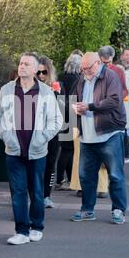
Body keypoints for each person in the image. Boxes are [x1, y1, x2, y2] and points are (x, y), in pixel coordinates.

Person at [0, 52, 62, 245]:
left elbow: (57, 120)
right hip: (13, 150)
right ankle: (21, 231)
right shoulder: (6, 90)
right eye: (21, 63)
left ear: (35, 69)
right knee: (18, 192)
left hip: (38, 151)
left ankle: (37, 227)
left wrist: (43, 137)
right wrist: (5, 135)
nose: (22, 67)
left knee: (37, 191)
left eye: (26, 64)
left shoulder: (45, 92)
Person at [70, 52, 127, 224]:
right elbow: (73, 98)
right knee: (86, 176)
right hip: (87, 136)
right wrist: (75, 107)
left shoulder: (110, 76)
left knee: (115, 175)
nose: (85, 71)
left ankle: (118, 210)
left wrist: (90, 106)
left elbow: (114, 101)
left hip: (108, 133)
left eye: (88, 68)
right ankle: (87, 210)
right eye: (82, 68)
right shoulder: (82, 79)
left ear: (98, 63)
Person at [36, 55, 61, 208]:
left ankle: (46, 195)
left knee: (50, 165)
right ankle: (35, 195)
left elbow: (62, 109)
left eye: (44, 72)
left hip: (52, 133)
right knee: (35, 166)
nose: (40, 76)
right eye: (38, 72)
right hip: (35, 132)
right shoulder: (30, 87)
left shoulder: (56, 87)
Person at [55, 53, 82, 191]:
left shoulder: (60, 77)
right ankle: (61, 179)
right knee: (69, 149)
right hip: (72, 114)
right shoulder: (78, 79)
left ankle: (66, 179)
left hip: (61, 113)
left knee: (66, 149)